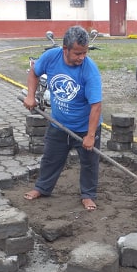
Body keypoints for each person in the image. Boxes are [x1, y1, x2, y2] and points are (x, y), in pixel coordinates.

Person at [23, 25, 102, 211]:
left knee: (89, 163)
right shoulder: (51, 57)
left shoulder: (89, 70)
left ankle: (88, 195)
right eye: (78, 53)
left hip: (85, 126)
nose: (82, 57)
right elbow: (34, 72)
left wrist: (90, 135)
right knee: (51, 158)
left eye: (85, 52)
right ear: (65, 49)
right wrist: (30, 96)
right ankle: (42, 188)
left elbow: (96, 106)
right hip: (59, 124)